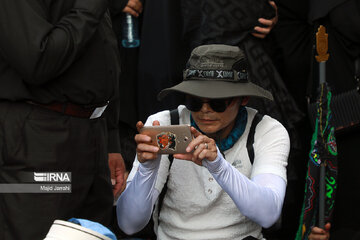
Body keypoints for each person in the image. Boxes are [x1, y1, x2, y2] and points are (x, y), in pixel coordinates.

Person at [117, 44, 290, 240]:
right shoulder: (165, 124)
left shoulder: (266, 130)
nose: (205, 110)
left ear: (244, 99)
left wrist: (219, 167)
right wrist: (148, 169)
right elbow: (129, 224)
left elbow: (268, 215)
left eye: (218, 102)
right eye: (195, 102)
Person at [0, 1, 126, 239]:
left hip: (93, 132)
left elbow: (105, 59)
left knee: (90, 232)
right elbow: (37, 62)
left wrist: (111, 143)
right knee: (39, 231)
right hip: (40, 140)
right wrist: (92, 6)